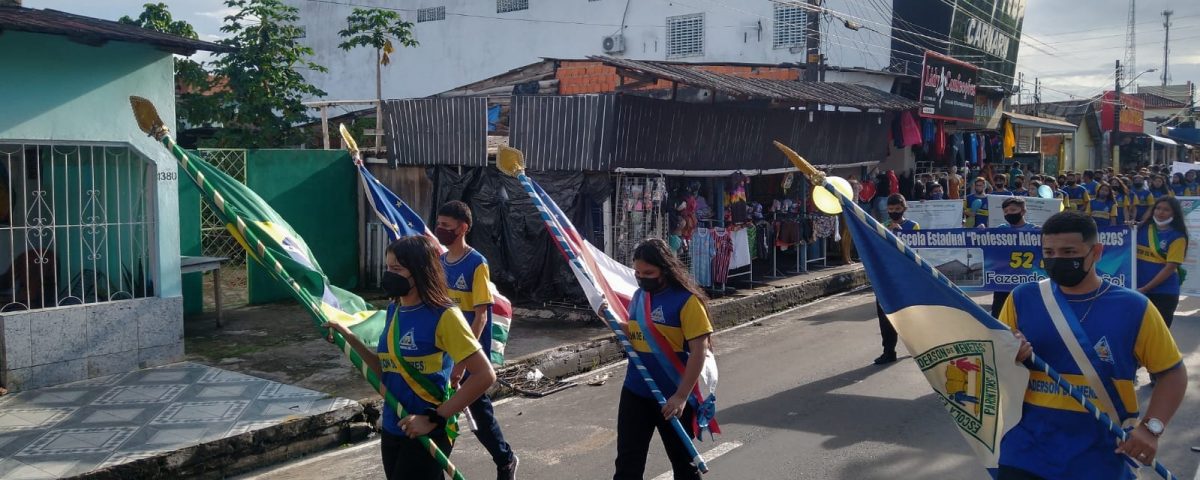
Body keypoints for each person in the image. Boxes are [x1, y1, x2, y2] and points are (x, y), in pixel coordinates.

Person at [998, 211, 1187, 480]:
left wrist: (1151, 429)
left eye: (1069, 251)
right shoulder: (1022, 298)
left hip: (1100, 457)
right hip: (1026, 452)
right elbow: (992, 365)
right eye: (1049, 252)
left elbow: (1172, 373)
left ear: (1096, 251)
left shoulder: (1134, 307)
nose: (1057, 260)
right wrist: (1008, 355)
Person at [326, 235, 497, 480]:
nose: (389, 274)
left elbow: (484, 375)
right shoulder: (395, 310)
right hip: (393, 426)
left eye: (396, 268)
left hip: (427, 430)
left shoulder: (445, 315)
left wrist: (434, 418)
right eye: (387, 267)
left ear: (419, 270)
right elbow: (385, 369)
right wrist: (349, 338)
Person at [611, 239, 714, 480]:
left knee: (684, 466)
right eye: (637, 272)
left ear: (665, 270)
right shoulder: (639, 296)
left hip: (673, 397)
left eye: (649, 273)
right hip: (636, 391)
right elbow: (638, 332)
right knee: (627, 465)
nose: (641, 277)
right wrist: (610, 319)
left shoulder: (688, 302)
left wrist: (681, 396)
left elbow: (699, 351)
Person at [433, 201, 520, 479]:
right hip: (446, 350)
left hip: (470, 353)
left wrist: (462, 360)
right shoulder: (440, 262)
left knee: (478, 412)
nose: (441, 230)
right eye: (439, 225)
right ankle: (435, 464)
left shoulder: (476, 263)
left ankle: (505, 459)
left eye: (447, 226)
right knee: (443, 407)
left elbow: (481, 316)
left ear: (463, 228)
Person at [875, 194, 919, 364]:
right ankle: (888, 351)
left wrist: (899, 233)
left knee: (908, 315)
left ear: (904, 209)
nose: (894, 212)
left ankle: (916, 346)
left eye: (897, 209)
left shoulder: (913, 226)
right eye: (891, 209)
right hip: (886, 276)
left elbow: (915, 249)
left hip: (906, 278)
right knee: (885, 316)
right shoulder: (881, 226)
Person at [1136, 197, 1189, 329]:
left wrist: (1145, 289)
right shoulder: (1140, 229)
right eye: (1158, 208)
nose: (1160, 212)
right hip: (1137, 289)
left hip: (1164, 292)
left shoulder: (1178, 236)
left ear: (1174, 213)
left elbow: (1170, 268)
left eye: (1166, 210)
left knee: (1158, 335)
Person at [990, 198, 1037, 318]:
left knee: (1027, 315)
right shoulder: (1000, 229)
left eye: (1012, 210)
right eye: (1005, 211)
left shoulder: (1035, 231)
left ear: (1022, 211)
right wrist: (980, 232)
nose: (1009, 213)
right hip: (1003, 281)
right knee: (999, 315)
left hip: (1027, 281)